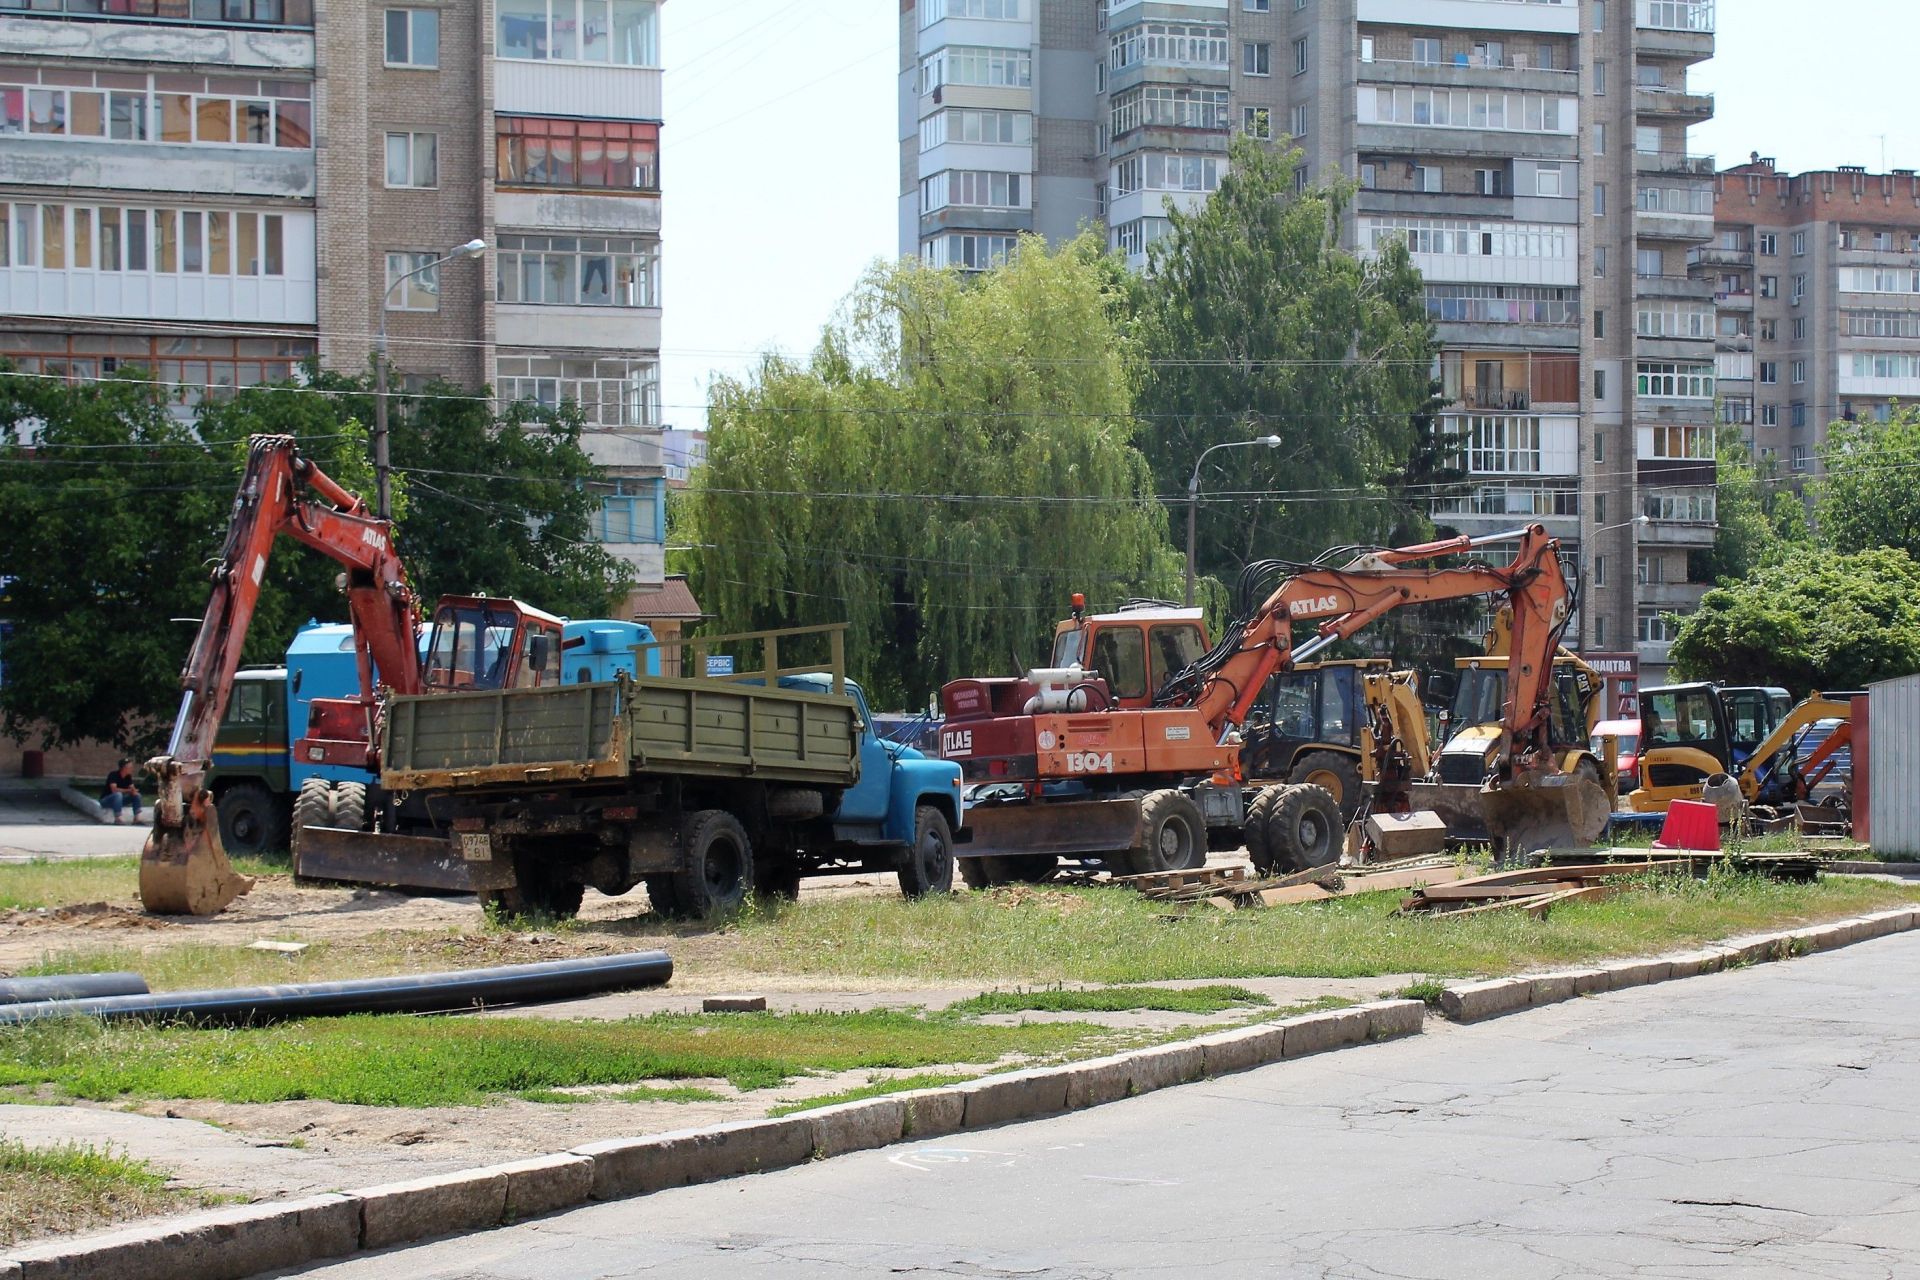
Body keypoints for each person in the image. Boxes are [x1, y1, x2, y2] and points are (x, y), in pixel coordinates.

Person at [101, 759, 142, 825]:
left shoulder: (128, 777)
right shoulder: (113, 775)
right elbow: (114, 790)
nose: (132, 769)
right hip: (107, 800)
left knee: (137, 795)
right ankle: (117, 818)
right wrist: (128, 790)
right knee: (118, 794)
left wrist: (134, 791)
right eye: (130, 767)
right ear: (124, 768)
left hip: (119, 801)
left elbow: (132, 789)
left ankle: (136, 819)